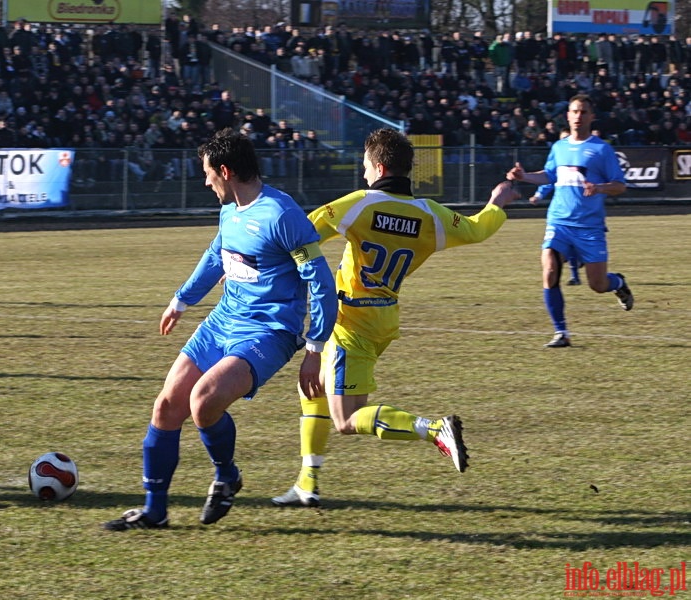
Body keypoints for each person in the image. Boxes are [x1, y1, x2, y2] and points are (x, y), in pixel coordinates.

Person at [271, 129, 520, 508]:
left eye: (366, 166)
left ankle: (434, 429)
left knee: (345, 419)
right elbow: (477, 229)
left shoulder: (361, 204)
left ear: (380, 166)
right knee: (314, 392)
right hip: (384, 318)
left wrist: (257, 258)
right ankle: (307, 482)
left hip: (349, 320)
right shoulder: (430, 215)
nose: (364, 174)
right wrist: (496, 204)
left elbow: (305, 232)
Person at [103, 128, 338, 531]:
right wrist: (181, 300)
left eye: (208, 173)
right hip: (222, 322)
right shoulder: (230, 209)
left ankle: (226, 474)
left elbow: (321, 282)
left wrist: (314, 349)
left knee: (203, 401)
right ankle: (154, 511)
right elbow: (217, 255)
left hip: (268, 332)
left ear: (226, 171)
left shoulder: (282, 215)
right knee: (166, 406)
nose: (205, 180)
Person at [507, 94, 632, 348]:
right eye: (574, 111)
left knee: (597, 285)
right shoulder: (559, 147)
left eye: (584, 112)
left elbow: (620, 186)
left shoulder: (601, 149)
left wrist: (599, 188)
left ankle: (618, 283)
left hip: (589, 227)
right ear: (567, 115)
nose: (578, 116)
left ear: (592, 116)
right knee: (550, 270)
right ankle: (561, 332)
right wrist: (524, 176)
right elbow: (550, 176)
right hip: (559, 222)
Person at [529, 183, 581, 286]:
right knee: (559, 249)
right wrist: (538, 195)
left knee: (598, 282)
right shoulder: (561, 168)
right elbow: (550, 178)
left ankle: (577, 264)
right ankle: (575, 276)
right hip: (561, 216)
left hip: (584, 215)